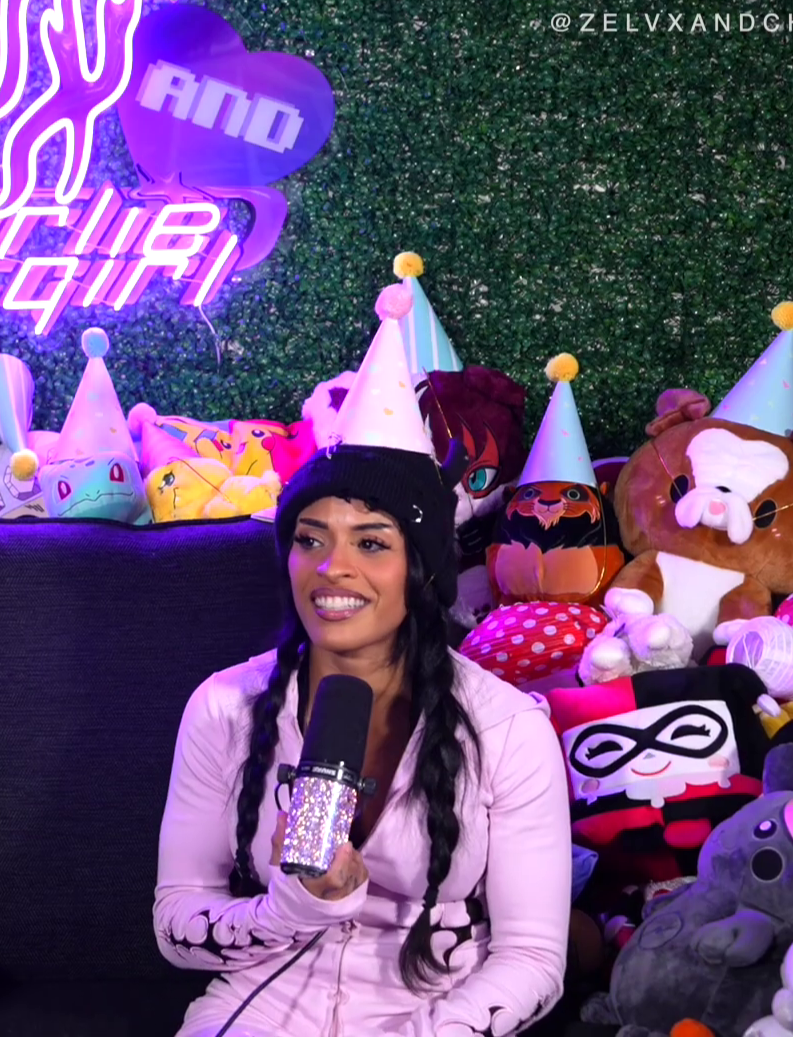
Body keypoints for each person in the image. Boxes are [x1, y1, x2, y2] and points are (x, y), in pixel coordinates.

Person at [154, 442, 573, 1037]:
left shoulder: (507, 729)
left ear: (423, 570)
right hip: (260, 1006)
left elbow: (533, 960)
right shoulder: (223, 707)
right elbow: (176, 921)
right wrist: (292, 908)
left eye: (371, 543)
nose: (332, 567)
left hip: (434, 1014)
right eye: (310, 539)